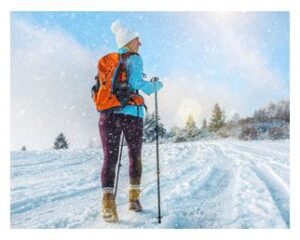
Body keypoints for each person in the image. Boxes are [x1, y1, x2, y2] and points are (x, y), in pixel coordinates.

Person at [98, 20, 163, 223]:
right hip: (131, 115)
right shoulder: (134, 58)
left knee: (110, 158)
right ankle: (133, 200)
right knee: (134, 155)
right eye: (137, 39)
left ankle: (108, 205)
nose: (140, 43)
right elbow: (136, 83)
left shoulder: (109, 62)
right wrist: (155, 85)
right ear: (128, 41)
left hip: (107, 114)